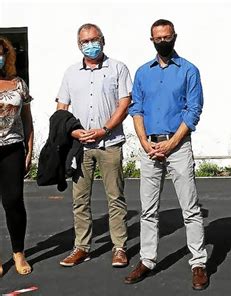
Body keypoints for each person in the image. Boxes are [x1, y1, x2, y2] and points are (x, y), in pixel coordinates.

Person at [124, 19, 208, 290]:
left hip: (178, 146)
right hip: (149, 147)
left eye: (167, 36)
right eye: (158, 37)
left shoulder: (189, 71)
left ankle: (198, 262)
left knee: (190, 209)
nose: (163, 41)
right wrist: (143, 142)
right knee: (148, 210)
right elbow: (136, 108)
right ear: (151, 40)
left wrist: (172, 142)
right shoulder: (142, 72)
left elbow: (193, 110)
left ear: (174, 37)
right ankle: (147, 259)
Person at [56, 23, 131, 268]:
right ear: (78, 45)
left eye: (94, 39)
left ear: (103, 39)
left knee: (115, 197)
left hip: (110, 142)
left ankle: (119, 247)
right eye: (85, 41)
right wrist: (73, 131)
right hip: (81, 146)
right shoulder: (70, 73)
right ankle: (82, 247)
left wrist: (105, 129)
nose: (90, 44)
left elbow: (124, 104)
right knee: (80, 199)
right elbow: (61, 110)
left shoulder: (118, 68)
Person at [0, 36, 34, 276]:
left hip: (13, 148)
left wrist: (30, 148)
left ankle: (18, 252)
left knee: (13, 202)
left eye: (0, 52)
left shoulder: (18, 83)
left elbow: (27, 118)